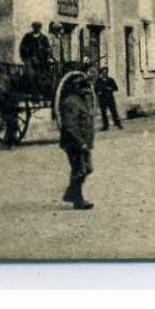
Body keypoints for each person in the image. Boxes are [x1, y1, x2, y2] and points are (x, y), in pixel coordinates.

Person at [57, 72, 96, 210]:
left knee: (88, 168)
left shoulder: (81, 100)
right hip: (73, 143)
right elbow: (70, 126)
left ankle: (71, 194)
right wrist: (81, 143)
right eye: (83, 87)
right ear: (76, 88)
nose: (87, 90)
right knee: (79, 170)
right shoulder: (70, 102)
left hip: (82, 142)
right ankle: (78, 201)